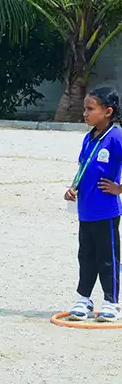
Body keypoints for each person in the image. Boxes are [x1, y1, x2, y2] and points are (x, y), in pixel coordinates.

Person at [64, 85, 122, 321]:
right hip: (85, 211)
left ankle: (111, 301)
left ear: (108, 111)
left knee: (107, 257)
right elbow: (84, 167)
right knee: (85, 255)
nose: (85, 113)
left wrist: (120, 189)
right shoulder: (89, 138)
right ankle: (84, 299)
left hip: (106, 211)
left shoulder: (116, 137)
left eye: (90, 109)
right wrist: (73, 187)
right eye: (84, 109)